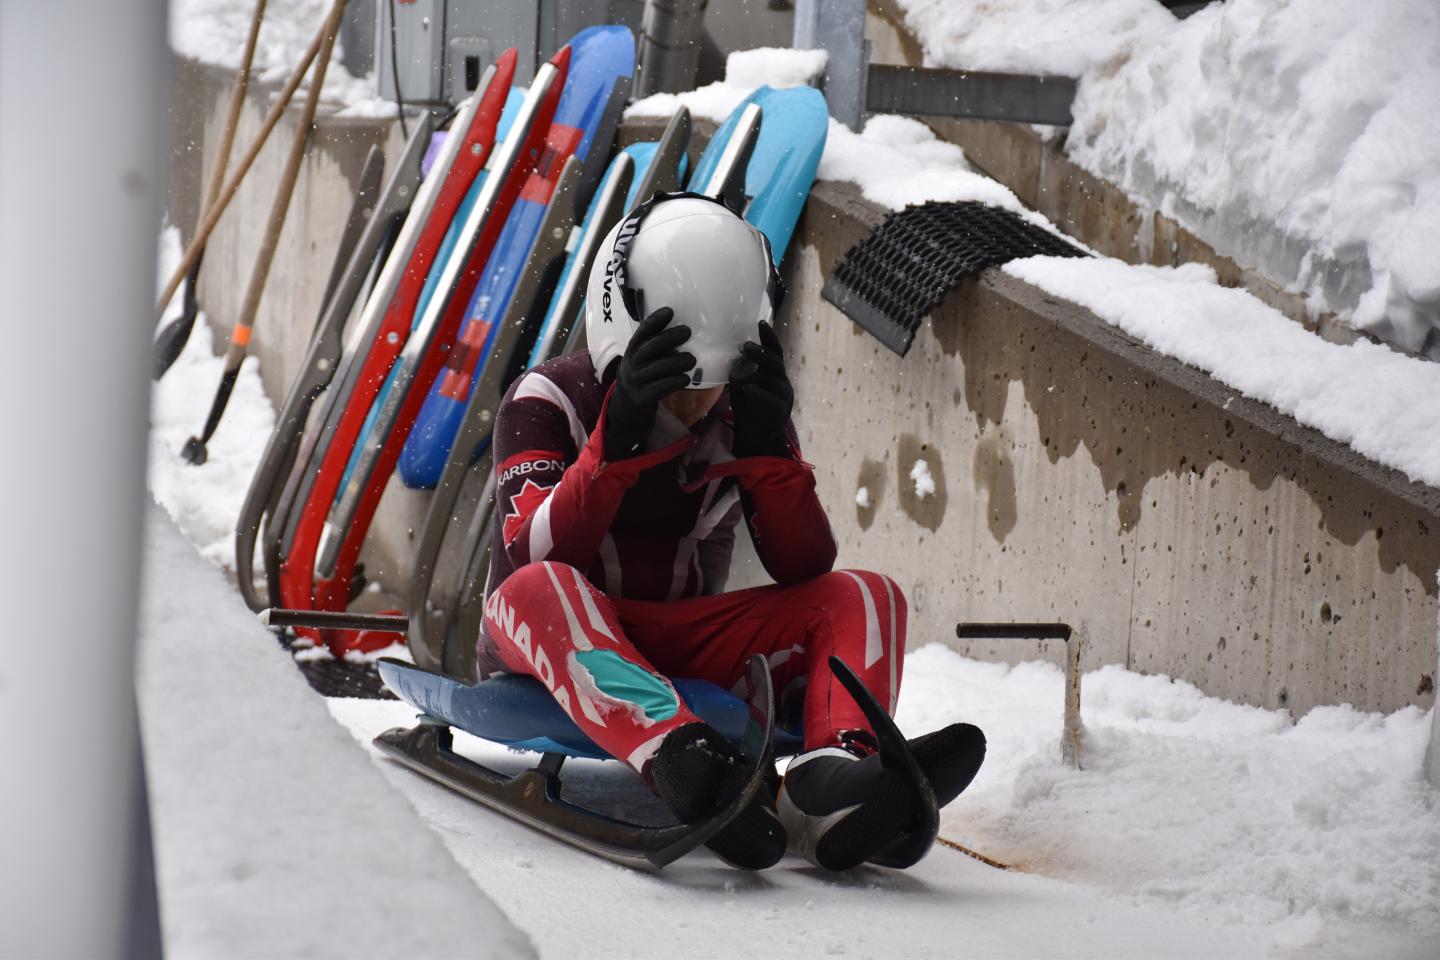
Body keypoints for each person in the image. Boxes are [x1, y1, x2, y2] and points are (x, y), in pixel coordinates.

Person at [479, 192, 984, 871]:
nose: (694, 404)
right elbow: (529, 555)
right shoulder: (548, 400)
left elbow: (805, 567)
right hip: (550, 636)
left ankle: (831, 779)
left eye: (709, 382)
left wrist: (774, 458)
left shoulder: (741, 413)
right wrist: (615, 446)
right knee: (541, 586)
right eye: (678, 381)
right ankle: (682, 760)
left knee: (864, 591)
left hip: (679, 636)